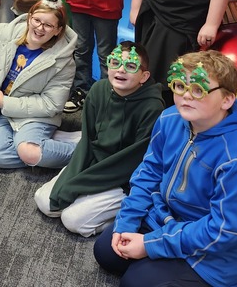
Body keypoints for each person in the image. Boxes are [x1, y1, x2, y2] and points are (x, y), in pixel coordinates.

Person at [93, 51, 237, 287]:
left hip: (218, 249)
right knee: (106, 251)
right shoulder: (170, 118)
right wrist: (127, 221)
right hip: (166, 218)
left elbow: (226, 231)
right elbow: (149, 172)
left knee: (135, 282)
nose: (185, 97)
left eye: (199, 90)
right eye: (180, 86)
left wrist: (150, 245)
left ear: (227, 99)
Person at [34, 42, 164, 237]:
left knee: (73, 220)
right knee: (45, 202)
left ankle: (127, 214)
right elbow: (87, 140)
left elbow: (133, 161)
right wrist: (74, 177)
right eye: (115, 62)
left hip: (123, 177)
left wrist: (81, 183)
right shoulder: (98, 89)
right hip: (95, 162)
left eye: (130, 66)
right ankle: (86, 195)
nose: (120, 70)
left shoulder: (152, 108)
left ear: (144, 76)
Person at [0, 0, 77, 169]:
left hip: (36, 117)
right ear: (29, 18)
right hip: (4, 115)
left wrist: (5, 102)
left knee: (28, 152)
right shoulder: (7, 33)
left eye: (48, 25)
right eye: (37, 20)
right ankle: (42, 145)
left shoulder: (64, 61)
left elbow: (52, 104)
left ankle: (83, 152)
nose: (39, 28)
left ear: (58, 30)